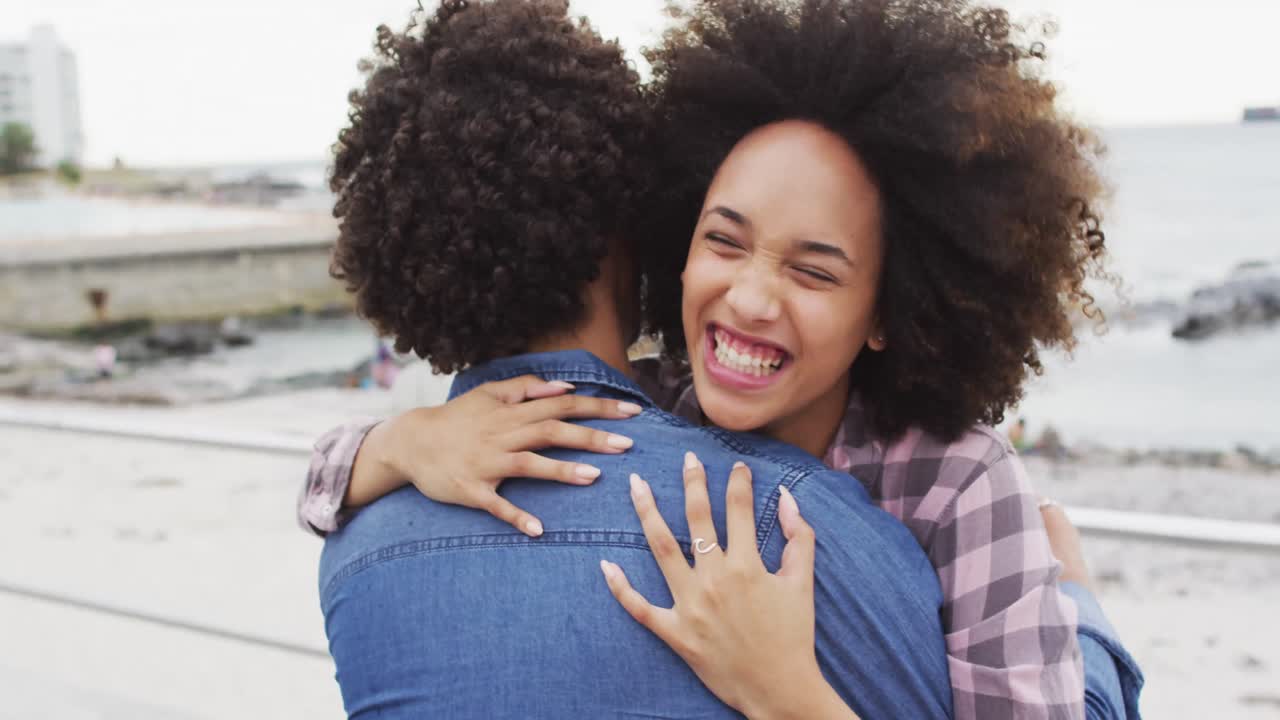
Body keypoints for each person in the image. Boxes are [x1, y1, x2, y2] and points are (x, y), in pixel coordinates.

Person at [306, 0, 1144, 717]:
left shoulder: (957, 477)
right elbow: (323, 479)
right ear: (671, 239)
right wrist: (405, 442)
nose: (749, 299)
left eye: (814, 271)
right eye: (723, 241)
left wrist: (787, 693)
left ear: (888, 311)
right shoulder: (655, 401)